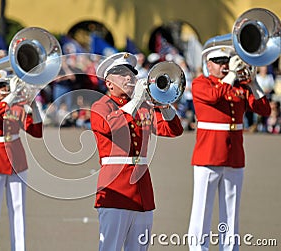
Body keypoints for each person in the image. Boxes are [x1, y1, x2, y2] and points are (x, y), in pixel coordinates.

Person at [90, 52, 183, 251]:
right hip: (116, 189)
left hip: (142, 190)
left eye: (131, 74)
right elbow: (110, 127)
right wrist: (137, 101)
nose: (128, 78)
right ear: (109, 83)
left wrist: (163, 104)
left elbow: (173, 130)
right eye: (122, 74)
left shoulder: (143, 107)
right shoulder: (101, 106)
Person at [188, 42, 271, 250]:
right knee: (202, 212)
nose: (224, 65)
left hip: (234, 156)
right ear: (209, 64)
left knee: (231, 212)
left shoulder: (238, 86)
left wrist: (252, 84)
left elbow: (264, 110)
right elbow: (215, 96)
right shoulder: (201, 83)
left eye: (227, 61)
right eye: (219, 62)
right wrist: (232, 75)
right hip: (208, 155)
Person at [0, 70, 43, 251]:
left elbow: (36, 131)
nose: (3, 89)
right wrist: (12, 96)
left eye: (4, 86)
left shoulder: (16, 105)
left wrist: (33, 105)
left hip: (17, 160)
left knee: (18, 211)